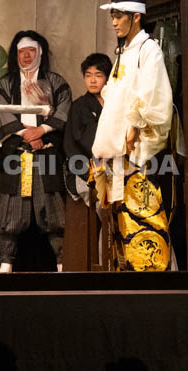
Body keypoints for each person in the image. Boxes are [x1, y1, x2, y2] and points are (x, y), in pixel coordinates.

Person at [92, 0, 174, 271]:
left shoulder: (148, 50)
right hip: (115, 154)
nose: (114, 22)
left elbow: (155, 98)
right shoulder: (124, 52)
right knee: (118, 227)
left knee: (143, 224)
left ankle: (151, 290)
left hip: (135, 153)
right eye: (112, 15)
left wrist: (135, 128)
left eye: (118, 15)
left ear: (136, 16)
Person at [0, 30, 71, 273]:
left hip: (47, 153)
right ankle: (6, 262)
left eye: (31, 51)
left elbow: (63, 111)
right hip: (18, 152)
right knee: (11, 210)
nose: (26, 56)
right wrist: (26, 134)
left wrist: (41, 130)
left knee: (54, 211)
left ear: (40, 52)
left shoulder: (56, 81)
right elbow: (1, 113)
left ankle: (62, 262)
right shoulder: (6, 83)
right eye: (22, 52)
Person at [61, 52, 112, 270]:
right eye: (88, 75)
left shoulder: (115, 104)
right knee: (103, 210)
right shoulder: (80, 106)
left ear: (107, 78)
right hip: (89, 168)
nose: (92, 80)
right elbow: (72, 145)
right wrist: (89, 171)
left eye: (98, 75)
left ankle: (114, 262)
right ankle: (101, 262)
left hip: (116, 165)